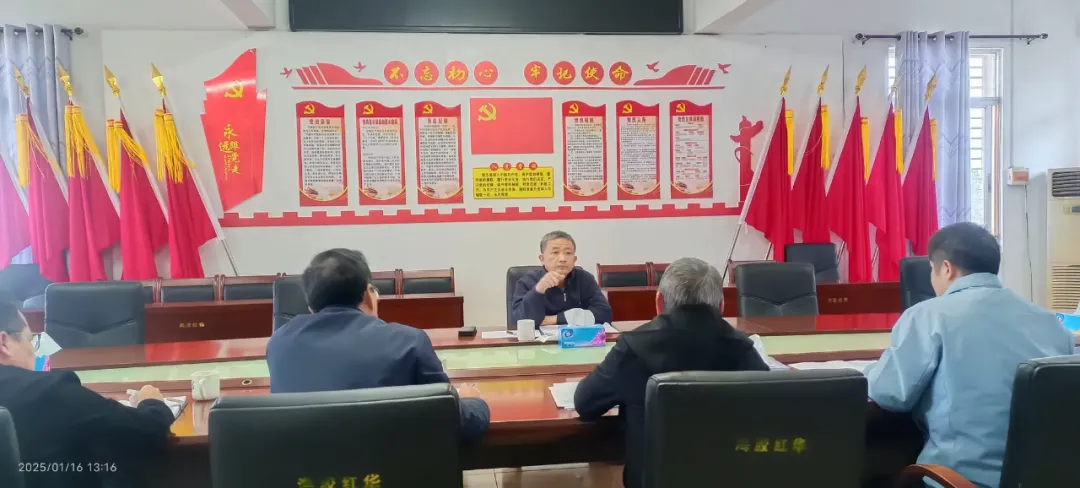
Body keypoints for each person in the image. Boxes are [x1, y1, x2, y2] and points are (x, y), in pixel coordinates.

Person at [865, 222, 1074, 487]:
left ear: (946, 268)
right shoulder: (1049, 322)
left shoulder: (928, 316)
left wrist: (871, 371)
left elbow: (890, 395)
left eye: (931, 270)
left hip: (962, 480)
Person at [574, 257, 769, 488]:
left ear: (659, 302)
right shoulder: (742, 348)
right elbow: (772, 410)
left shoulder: (633, 347)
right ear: (721, 306)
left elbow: (585, 402)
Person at [267, 248, 490, 442]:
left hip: (308, 472)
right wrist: (473, 402)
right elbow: (453, 423)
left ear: (311, 306)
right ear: (367, 294)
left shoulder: (279, 344)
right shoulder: (408, 342)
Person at [0, 301, 173, 488]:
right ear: (4, 343)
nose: (33, 351)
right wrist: (151, 402)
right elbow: (148, 432)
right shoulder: (49, 391)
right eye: (29, 340)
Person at [510, 230, 612, 326]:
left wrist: (556, 319)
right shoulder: (526, 281)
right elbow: (519, 321)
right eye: (555, 252)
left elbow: (604, 314)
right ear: (542, 259)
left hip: (577, 337)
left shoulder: (585, 279)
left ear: (574, 259)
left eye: (568, 253)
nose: (562, 259)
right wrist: (538, 290)